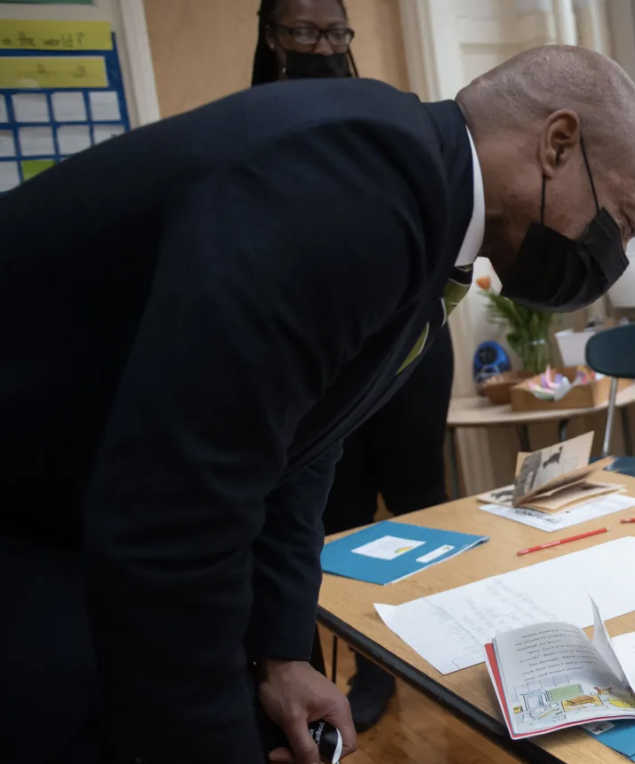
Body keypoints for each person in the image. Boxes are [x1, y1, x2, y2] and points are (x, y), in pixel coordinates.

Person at [0, 45, 635, 764]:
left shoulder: (422, 209)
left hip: (69, 510)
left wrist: (281, 655)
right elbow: (178, 519)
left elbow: (304, 440)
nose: (607, 256)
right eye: (618, 221)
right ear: (557, 145)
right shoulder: (353, 186)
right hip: (13, 510)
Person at [248, 0, 456, 729]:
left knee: (420, 501)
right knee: (333, 515)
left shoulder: (386, 118)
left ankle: (445, 645)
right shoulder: (251, 127)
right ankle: (363, 664)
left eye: (335, 32)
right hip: (320, 349)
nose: (323, 46)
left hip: (405, 342)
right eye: (304, 32)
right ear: (270, 37)